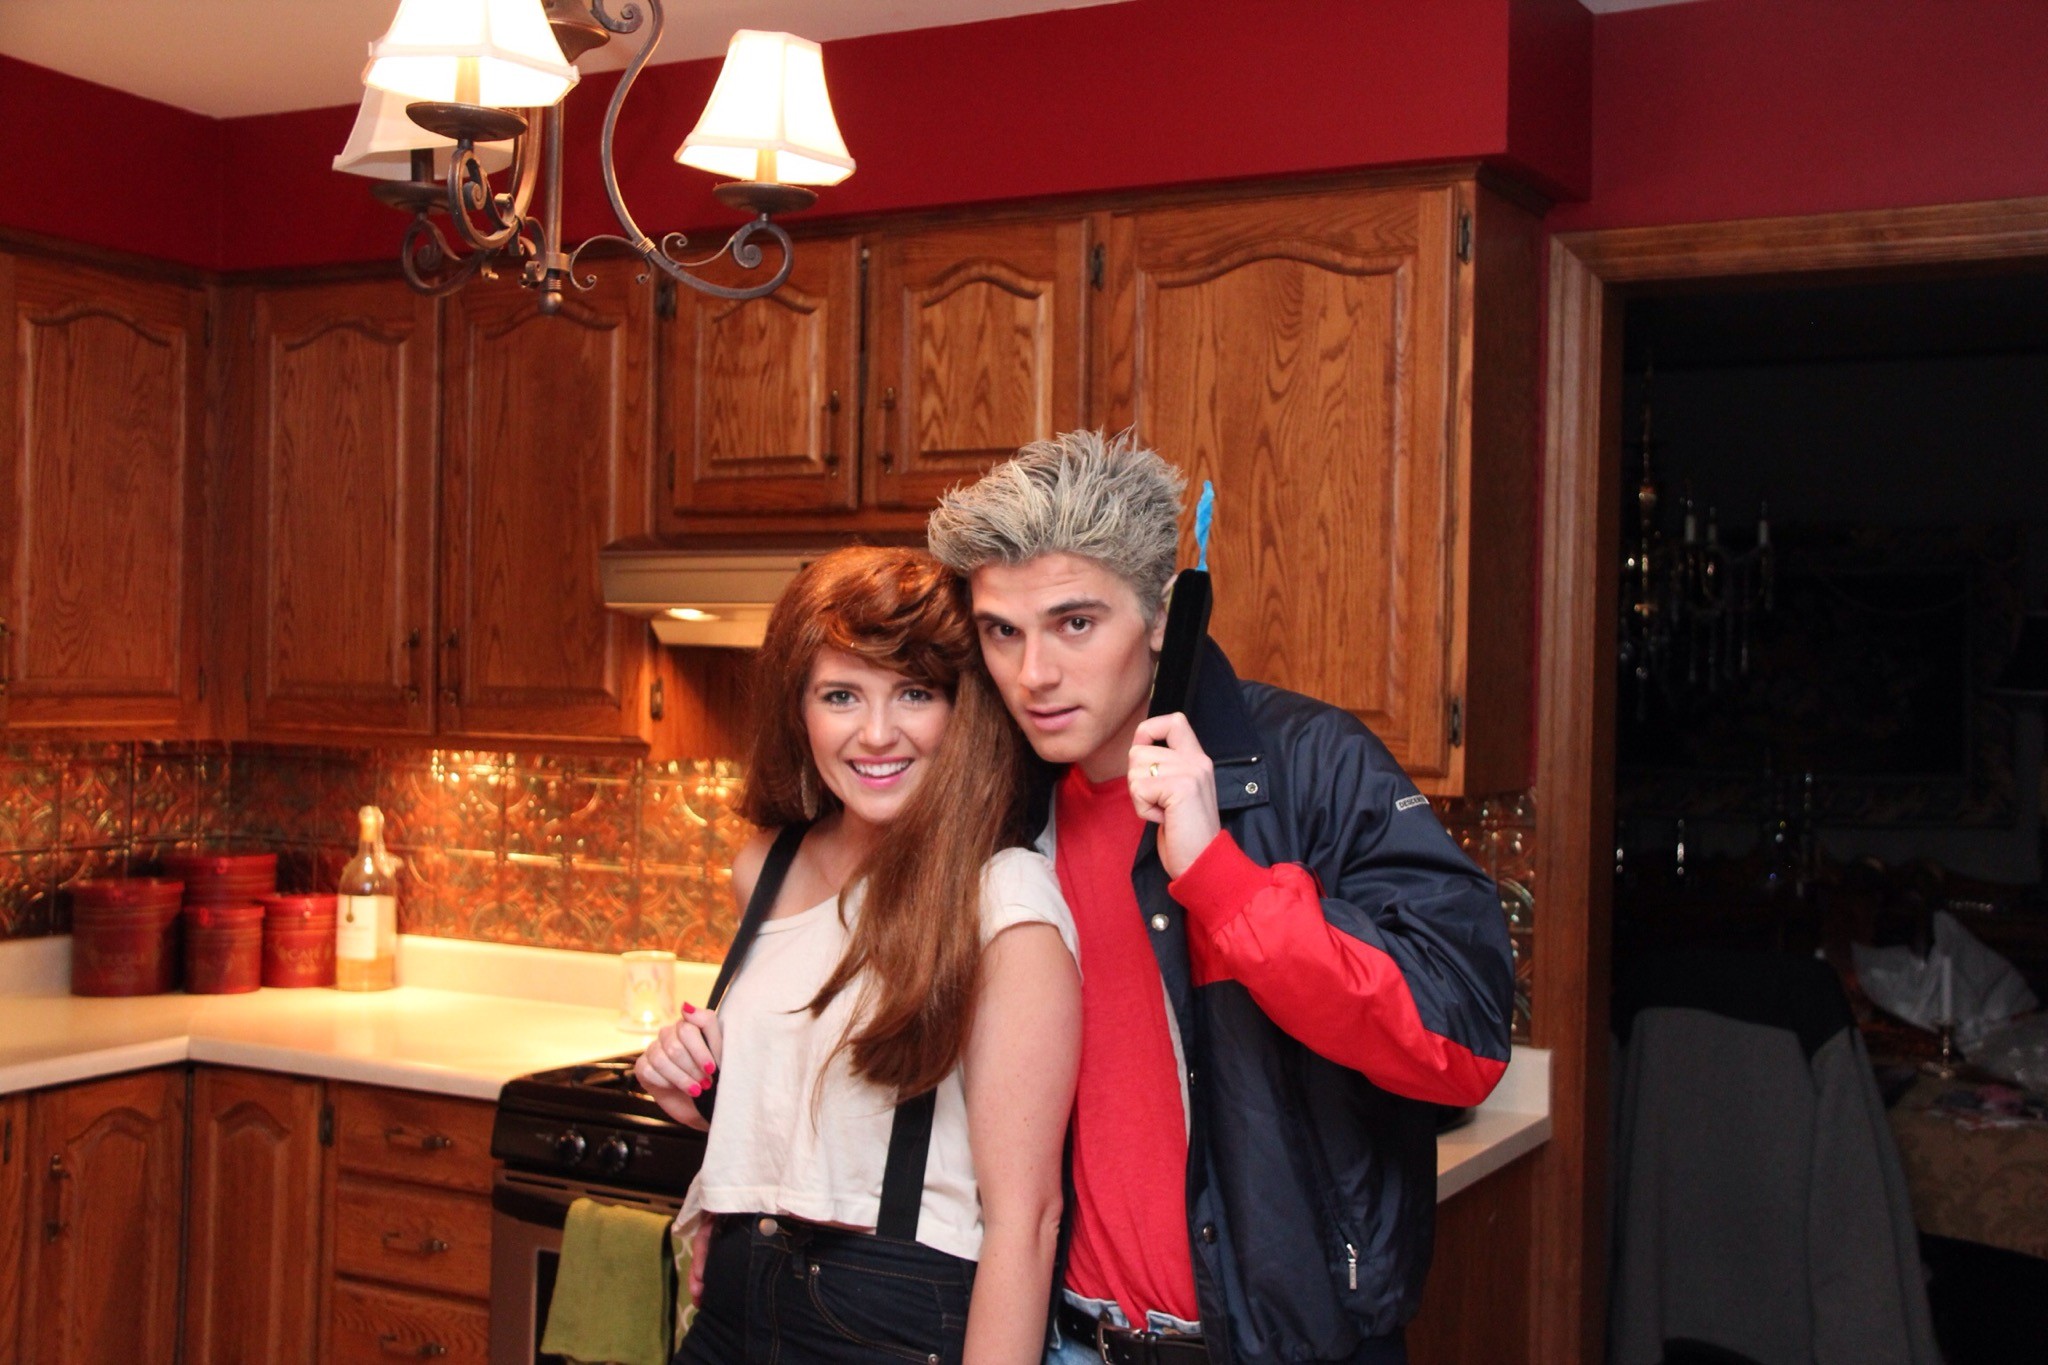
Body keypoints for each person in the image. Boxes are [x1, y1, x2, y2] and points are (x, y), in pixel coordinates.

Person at [927, 431, 1517, 1365]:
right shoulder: (1001, 802)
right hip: (1069, 1341)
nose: (1032, 673)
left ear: (1163, 616)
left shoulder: (1311, 763)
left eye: (1075, 623)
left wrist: (1219, 875)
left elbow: (1465, 1040)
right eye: (1003, 631)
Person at [635, 546, 1082, 1365]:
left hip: (888, 1320)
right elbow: (814, 1122)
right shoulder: (763, 867)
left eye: (915, 693)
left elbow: (1028, 1220)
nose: (877, 733)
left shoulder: (1004, 898)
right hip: (732, 1303)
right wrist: (695, 1083)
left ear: (963, 709)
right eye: (841, 695)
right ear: (799, 711)